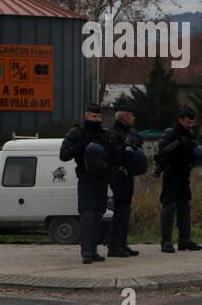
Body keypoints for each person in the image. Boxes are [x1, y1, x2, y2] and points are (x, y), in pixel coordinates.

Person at [59, 104, 113, 264]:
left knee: (98, 214)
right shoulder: (78, 132)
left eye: (98, 117)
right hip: (86, 178)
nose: (96, 119)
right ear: (86, 115)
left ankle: (94, 250)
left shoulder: (104, 134)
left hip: (102, 178)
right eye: (93, 116)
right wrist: (83, 144)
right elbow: (64, 155)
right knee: (88, 215)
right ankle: (86, 252)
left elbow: (113, 154)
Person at [157, 106, 202, 254]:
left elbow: (196, 154)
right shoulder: (171, 134)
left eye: (191, 122)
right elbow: (162, 152)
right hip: (171, 175)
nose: (190, 125)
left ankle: (184, 240)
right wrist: (178, 143)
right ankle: (166, 241)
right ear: (180, 119)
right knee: (169, 207)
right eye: (187, 122)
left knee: (184, 208)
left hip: (184, 176)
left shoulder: (190, 135)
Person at [106, 102, 142, 257]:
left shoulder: (129, 132)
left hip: (128, 175)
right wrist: (125, 147)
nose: (133, 118)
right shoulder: (113, 133)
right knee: (120, 210)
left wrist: (133, 142)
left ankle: (122, 243)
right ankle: (114, 246)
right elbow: (114, 155)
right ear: (124, 116)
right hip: (118, 174)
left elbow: (138, 142)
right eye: (131, 115)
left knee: (126, 210)